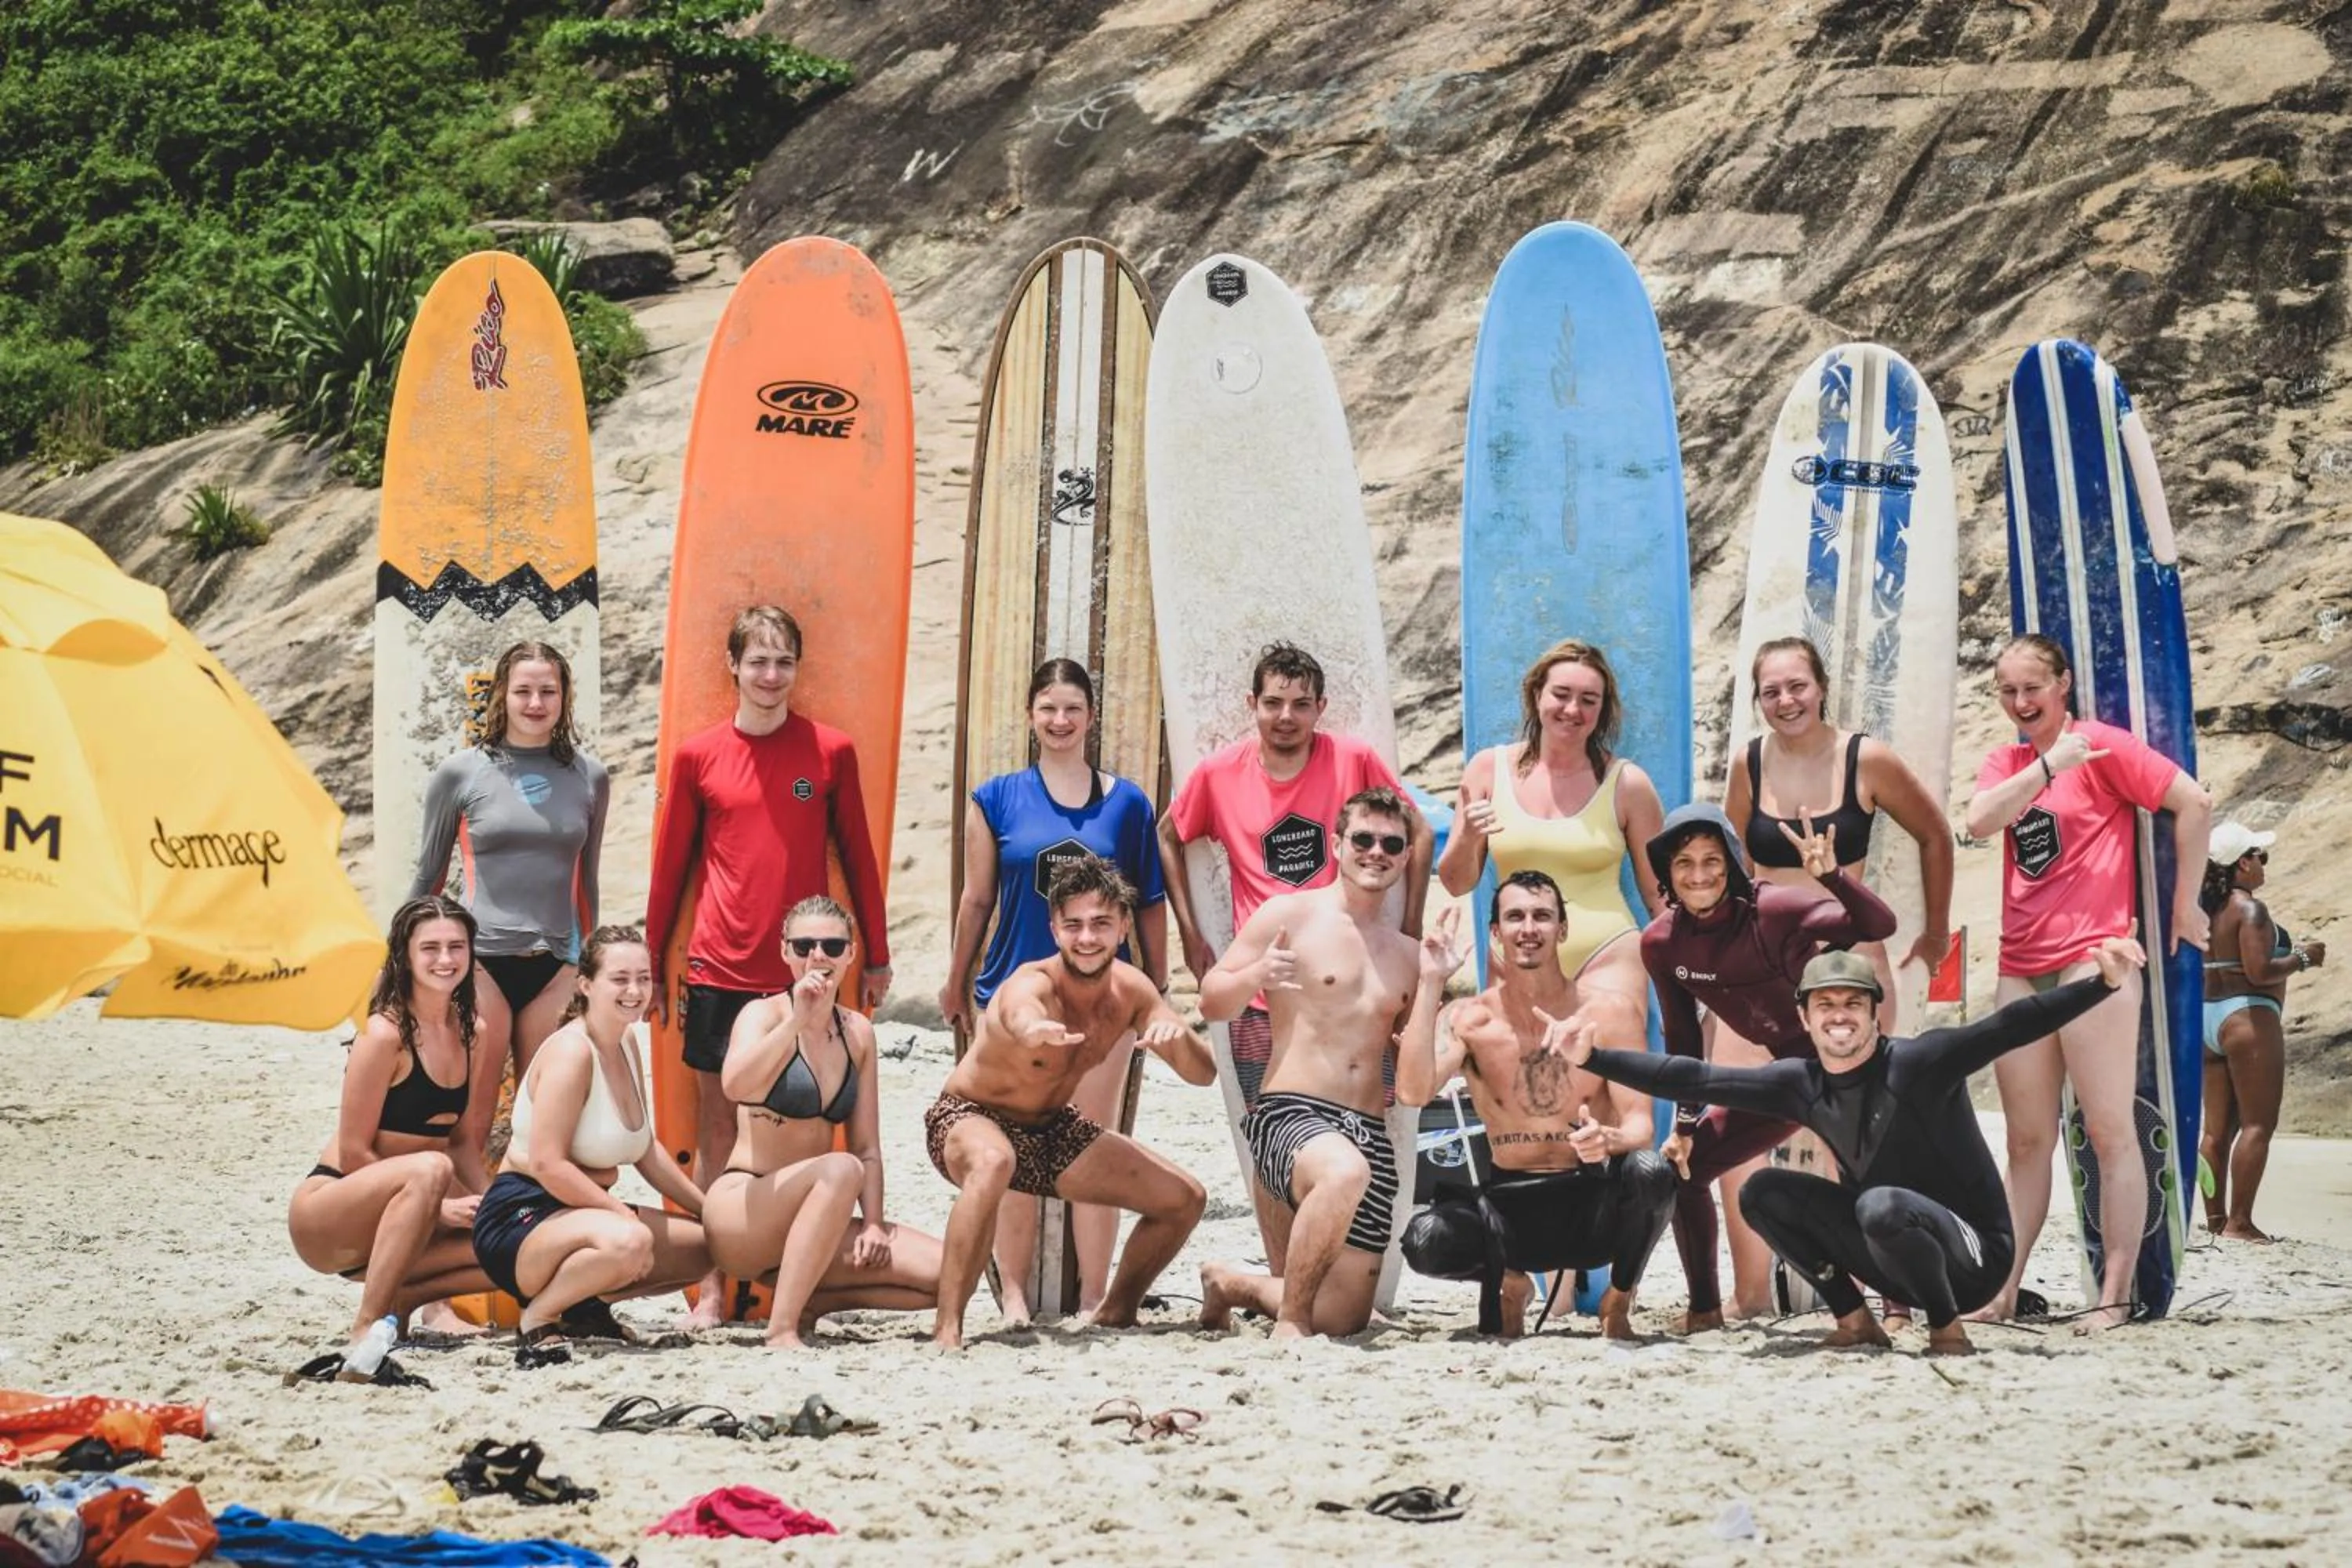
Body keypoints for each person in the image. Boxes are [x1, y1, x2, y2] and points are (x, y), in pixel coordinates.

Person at [1572, 936, 2151, 1356]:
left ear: (1876, 1013)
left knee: (1881, 1204)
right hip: (1892, 1256)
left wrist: (2102, 984)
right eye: (1825, 1005)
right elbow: (1694, 1078)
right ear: (1805, 1015)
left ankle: (1947, 1329)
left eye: (1853, 1003)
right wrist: (1592, 1059)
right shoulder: (1801, 1082)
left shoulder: (1923, 1062)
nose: (1839, 1016)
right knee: (1764, 1192)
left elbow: (2010, 1026)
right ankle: (1855, 1320)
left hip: (1974, 1259)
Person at [644, 604, 894, 1327]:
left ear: (796, 668)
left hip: (807, 973)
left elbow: (859, 857)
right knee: (721, 1130)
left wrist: (872, 954)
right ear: (733, 666)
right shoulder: (699, 756)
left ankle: (801, 1277)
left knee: (813, 1128)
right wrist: (659, 957)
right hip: (720, 967)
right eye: (757, 661)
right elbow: (672, 868)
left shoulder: (829, 752)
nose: (770, 675)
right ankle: (715, 1291)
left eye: (784, 661)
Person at [1157, 641, 1431, 1272]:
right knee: (1268, 1131)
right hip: (1268, 984)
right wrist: (1191, 932)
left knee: (1373, 1114)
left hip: (1356, 978)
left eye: (1301, 705)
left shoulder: (1352, 758)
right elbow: (1170, 834)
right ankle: (1283, 1273)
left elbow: (1414, 827)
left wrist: (1409, 922)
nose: (1286, 717)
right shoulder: (1220, 773)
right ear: (1252, 704)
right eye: (1274, 703)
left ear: (1320, 709)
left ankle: (1350, 1269)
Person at [1964, 633, 2211, 1327]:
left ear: (2062, 683)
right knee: (2024, 1141)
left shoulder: (2101, 745)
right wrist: (2046, 766)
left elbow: (2194, 804)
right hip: (2021, 964)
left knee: (2107, 1129)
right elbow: (1980, 821)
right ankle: (2002, 1288)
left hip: (2091, 960)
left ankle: (2114, 1295)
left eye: (2032, 688)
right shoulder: (2009, 760)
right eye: (2007, 692)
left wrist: (2184, 905)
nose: (2021, 703)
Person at [938, 659, 1167, 1319]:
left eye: (1073, 709)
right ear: (1031, 716)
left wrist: (1156, 987)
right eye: (1049, 709)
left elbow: (1149, 901)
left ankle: (1096, 1294)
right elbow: (977, 898)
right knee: (1009, 1150)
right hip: (1011, 995)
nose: (1061, 721)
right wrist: (955, 981)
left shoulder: (1127, 803)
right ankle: (1012, 1293)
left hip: (1103, 1002)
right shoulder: (997, 797)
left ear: (1091, 717)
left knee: (1093, 1144)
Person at [926, 855, 1215, 1350]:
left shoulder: (1132, 990)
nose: (1087, 938)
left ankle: (1117, 1309)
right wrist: (1030, 1028)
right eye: (1074, 925)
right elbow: (1019, 1009)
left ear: (1124, 926)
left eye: (1101, 924)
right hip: (969, 1118)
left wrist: (1177, 1037)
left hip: (1051, 1130)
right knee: (995, 1159)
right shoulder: (1032, 984)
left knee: (1184, 1200)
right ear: (1054, 929)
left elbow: (1202, 1074)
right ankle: (947, 1328)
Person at [1640, 803, 1898, 1328]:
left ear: (1733, 861)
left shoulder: (1775, 909)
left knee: (1876, 1176)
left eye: (1712, 860)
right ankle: (1705, 1311)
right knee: (1683, 1172)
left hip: (1847, 1069)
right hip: (1789, 1080)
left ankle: (1899, 1307)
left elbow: (1878, 922)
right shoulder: (1663, 943)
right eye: (1684, 863)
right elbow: (1684, 1037)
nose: (1699, 875)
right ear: (1667, 873)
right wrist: (1684, 1124)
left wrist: (1832, 877)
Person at [1395, 875, 1674, 1339]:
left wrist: (1608, 1140)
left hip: (1592, 1201)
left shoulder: (1610, 1013)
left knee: (1652, 1171)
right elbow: (1412, 1092)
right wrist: (1430, 982)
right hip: (1511, 1208)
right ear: (1495, 932)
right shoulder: (1470, 1019)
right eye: (1515, 917)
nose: (1529, 928)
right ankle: (1511, 1284)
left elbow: (1640, 1126)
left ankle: (1618, 1298)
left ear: (1562, 930)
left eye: (1542, 916)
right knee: (1425, 1242)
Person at [1197, 788, 1424, 1340]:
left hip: (1368, 1130)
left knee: (1342, 1319)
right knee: (1344, 1173)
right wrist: (1255, 977)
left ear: (1406, 855)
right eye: (1363, 839)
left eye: (1391, 844)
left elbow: (1415, 1078)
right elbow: (1211, 999)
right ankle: (1290, 1326)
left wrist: (1437, 984)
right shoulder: (1291, 914)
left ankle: (1230, 1283)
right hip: (1291, 1115)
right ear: (1337, 844)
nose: (1376, 852)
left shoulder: (1408, 954)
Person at [470, 927, 713, 1365]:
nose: (635, 990)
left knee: (709, 1247)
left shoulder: (626, 1040)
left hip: (580, 1215)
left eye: (643, 977)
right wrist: (621, 1215)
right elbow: (547, 1164)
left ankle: (585, 1308)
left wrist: (706, 1209)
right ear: (586, 985)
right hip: (520, 1218)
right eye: (620, 979)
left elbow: (644, 1149)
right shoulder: (572, 1053)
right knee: (629, 1242)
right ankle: (539, 1319)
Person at [707, 896, 942, 1345]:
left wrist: (873, 1223)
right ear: (785, 952)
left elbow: (867, 1147)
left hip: (816, 1221)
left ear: (851, 954)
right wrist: (796, 1021)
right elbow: (734, 1085)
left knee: (947, 1274)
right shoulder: (762, 1015)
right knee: (840, 1169)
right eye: (804, 946)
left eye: (833, 946)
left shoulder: (858, 1033)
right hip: (745, 1212)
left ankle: (814, 1301)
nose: (818, 955)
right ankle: (781, 1329)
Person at [289, 896, 505, 1377]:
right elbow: (353, 1151)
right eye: (430, 948)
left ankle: (405, 1299)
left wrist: (497, 1207)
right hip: (331, 1216)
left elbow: (462, 1142)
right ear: (404, 955)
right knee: (431, 1168)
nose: (445, 959)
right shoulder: (383, 1034)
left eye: (457, 946)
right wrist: (442, 1208)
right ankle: (367, 1326)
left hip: (409, 1218)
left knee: (515, 1243)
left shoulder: (474, 1032)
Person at [1724, 635, 1953, 1027]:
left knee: (1859, 1085)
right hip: (1770, 957)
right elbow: (1734, 866)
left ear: (1821, 687)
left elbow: (1935, 836)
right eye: (1771, 692)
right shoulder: (1749, 763)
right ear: (1758, 701)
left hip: (1850, 953)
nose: (1786, 701)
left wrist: (1935, 934)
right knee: (1762, 1087)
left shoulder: (1867, 760)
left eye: (1798, 687)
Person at [408, 641, 610, 1082]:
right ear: (502, 693)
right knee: (475, 1117)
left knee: (543, 1117)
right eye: (523, 691)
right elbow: (430, 874)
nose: (535, 703)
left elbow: (587, 879)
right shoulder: (460, 773)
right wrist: (400, 962)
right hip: (480, 962)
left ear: (564, 696)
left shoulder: (590, 776)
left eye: (548, 692)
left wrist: (590, 963)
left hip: (558, 964)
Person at [2198, 822, 2322, 1243]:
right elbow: (2259, 971)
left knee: (2214, 1132)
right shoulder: (2250, 909)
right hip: (2247, 1017)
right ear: (2243, 863)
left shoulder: (2203, 910)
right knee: (2257, 1125)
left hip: (2207, 1018)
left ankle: (2215, 1221)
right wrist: (2305, 957)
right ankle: (2240, 1223)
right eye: (2260, 856)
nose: (2264, 865)